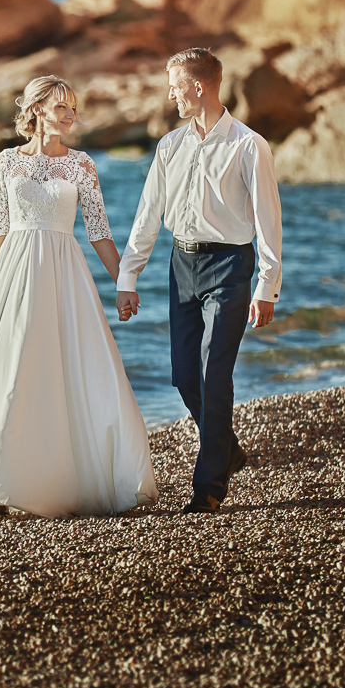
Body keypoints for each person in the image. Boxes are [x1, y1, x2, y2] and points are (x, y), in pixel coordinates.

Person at [0, 75, 158, 518]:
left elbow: (99, 233)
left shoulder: (81, 164)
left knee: (68, 368)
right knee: (13, 371)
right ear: (37, 110)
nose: (71, 115)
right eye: (61, 107)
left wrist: (125, 281)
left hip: (65, 275)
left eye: (73, 108)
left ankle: (60, 478)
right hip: (12, 273)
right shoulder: (6, 162)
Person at [115, 48, 283, 514]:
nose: (171, 95)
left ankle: (208, 487)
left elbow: (269, 222)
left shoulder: (249, 145)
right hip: (181, 266)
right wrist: (129, 276)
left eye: (175, 86)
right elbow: (148, 215)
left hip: (231, 267)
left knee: (213, 370)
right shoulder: (169, 145)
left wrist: (266, 287)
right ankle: (226, 448)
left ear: (199, 87)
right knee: (186, 375)